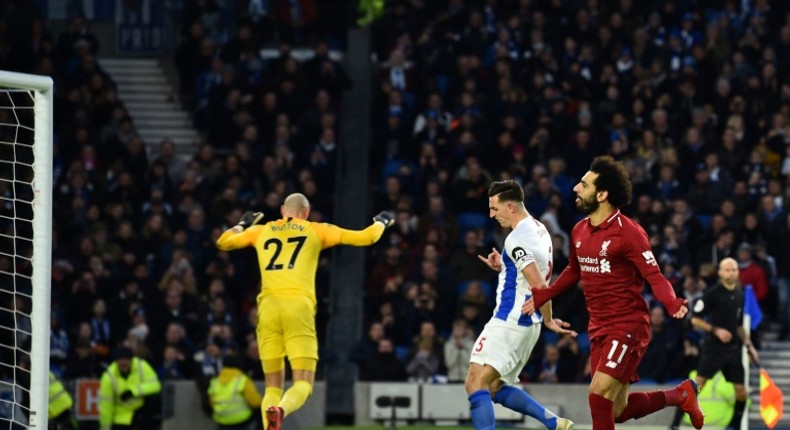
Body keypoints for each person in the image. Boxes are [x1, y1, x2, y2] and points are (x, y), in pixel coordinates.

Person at [523, 156, 704, 430]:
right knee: (616, 410)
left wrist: (670, 301)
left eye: (583, 185)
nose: (575, 188)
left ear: (602, 194)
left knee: (597, 395)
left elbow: (654, 274)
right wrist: (544, 295)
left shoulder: (629, 233)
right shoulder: (579, 229)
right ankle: (680, 395)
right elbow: (574, 269)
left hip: (627, 325)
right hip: (599, 327)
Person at [215, 193, 395, 430]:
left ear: (282, 210)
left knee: (272, 387)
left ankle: (270, 421)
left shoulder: (262, 231)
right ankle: (281, 410)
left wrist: (243, 223)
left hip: (268, 307)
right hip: (298, 307)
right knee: (303, 384)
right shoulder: (315, 230)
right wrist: (381, 221)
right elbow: (367, 237)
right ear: (306, 212)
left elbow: (223, 242)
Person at [469, 180, 576, 430]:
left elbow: (539, 284)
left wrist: (547, 315)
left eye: (494, 209)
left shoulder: (516, 239)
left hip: (511, 319)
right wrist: (547, 318)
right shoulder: (539, 229)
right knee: (494, 386)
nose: (491, 215)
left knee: (475, 383)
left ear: (511, 207)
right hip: (530, 323)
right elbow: (540, 278)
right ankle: (553, 422)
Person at [668, 257, 759, 430]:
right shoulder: (713, 293)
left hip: (733, 350)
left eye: (734, 270)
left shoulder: (740, 294)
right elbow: (694, 319)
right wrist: (716, 330)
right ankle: (674, 424)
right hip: (714, 348)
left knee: (741, 391)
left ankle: (737, 426)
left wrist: (749, 345)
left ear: (738, 272)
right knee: (697, 386)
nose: (731, 273)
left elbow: (739, 325)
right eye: (727, 270)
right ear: (720, 273)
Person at [98, 346, 162, 430]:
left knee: (155, 398)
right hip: (122, 415)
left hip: (142, 411)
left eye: (126, 360)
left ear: (131, 359)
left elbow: (156, 385)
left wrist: (132, 391)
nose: (123, 363)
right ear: (116, 361)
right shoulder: (108, 377)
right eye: (120, 360)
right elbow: (106, 406)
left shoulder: (141, 366)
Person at [208, 355, 262, 430]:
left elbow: (211, 403)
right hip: (241, 420)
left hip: (222, 420)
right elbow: (256, 402)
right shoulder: (243, 380)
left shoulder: (215, 382)